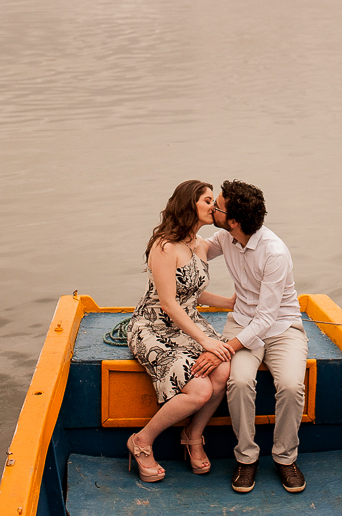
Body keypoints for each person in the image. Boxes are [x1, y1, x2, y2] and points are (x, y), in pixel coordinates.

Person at [191, 179, 308, 495]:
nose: (212, 209)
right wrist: (174, 237)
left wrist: (222, 349)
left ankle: (285, 458)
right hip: (242, 323)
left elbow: (267, 318)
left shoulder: (274, 252)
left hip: (282, 328)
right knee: (240, 382)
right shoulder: (226, 237)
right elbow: (197, 250)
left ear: (233, 220)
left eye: (216, 206)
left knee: (292, 386)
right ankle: (246, 457)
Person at [125, 180, 236, 482]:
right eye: (207, 200)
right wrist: (205, 341)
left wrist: (228, 302)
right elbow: (169, 303)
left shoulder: (201, 245)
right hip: (154, 327)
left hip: (188, 323)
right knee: (200, 390)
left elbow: (192, 293)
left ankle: (193, 435)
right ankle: (141, 441)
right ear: (189, 204)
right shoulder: (165, 246)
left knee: (223, 369)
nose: (214, 206)